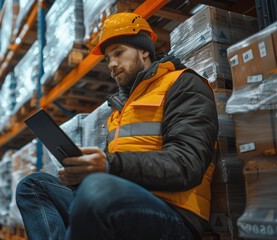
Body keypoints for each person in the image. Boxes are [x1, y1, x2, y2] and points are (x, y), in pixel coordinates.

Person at [16, 12, 218, 240]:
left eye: (119, 53)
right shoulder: (120, 110)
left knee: (99, 191)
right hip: (119, 200)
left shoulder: (183, 84)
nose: (112, 64)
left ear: (144, 51)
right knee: (33, 186)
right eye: (108, 59)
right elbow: (118, 167)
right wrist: (82, 173)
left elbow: (187, 165)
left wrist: (108, 166)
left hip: (173, 213)